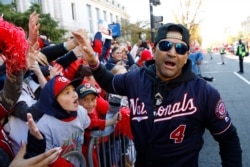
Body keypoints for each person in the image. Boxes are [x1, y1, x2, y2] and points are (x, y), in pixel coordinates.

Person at [73, 23, 242, 167]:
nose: (172, 53)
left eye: (181, 48)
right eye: (166, 46)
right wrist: (94, 62)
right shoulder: (135, 79)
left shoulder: (204, 92)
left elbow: (228, 138)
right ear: (154, 50)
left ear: (186, 57)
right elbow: (110, 83)